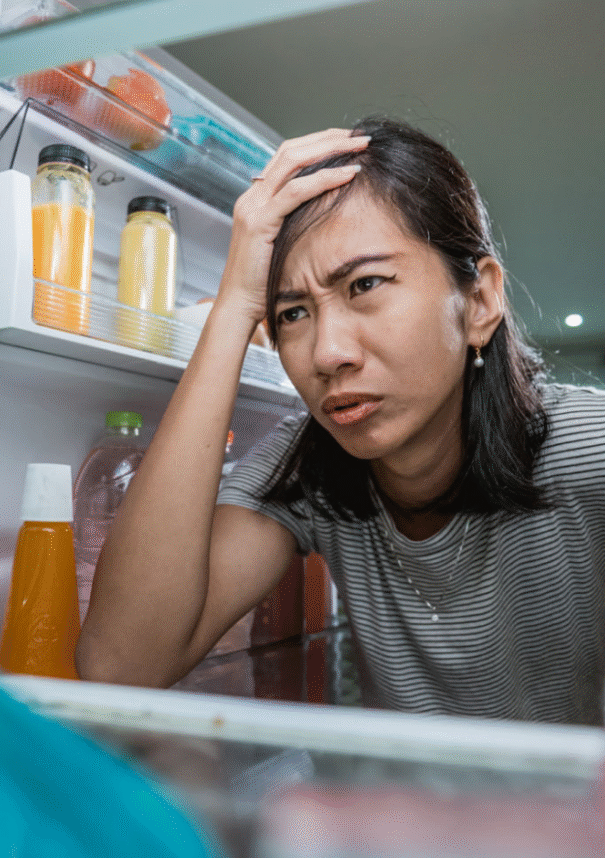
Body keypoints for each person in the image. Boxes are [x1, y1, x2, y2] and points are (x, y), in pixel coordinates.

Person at [75, 116, 605, 725]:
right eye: (293, 313)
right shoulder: (311, 462)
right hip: (389, 819)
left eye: (365, 284)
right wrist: (235, 308)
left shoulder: (588, 450)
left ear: (480, 301)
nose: (328, 353)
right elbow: (120, 663)